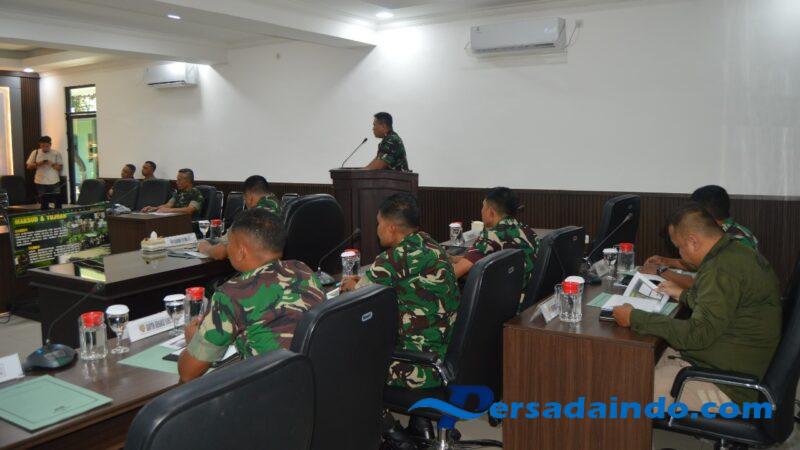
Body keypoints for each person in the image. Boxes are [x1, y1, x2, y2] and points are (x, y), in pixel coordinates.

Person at [613, 202, 781, 410]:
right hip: (727, 361)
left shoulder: (721, 268)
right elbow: (721, 305)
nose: (680, 254)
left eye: (679, 247)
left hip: (729, 386)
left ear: (693, 241)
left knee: (627, 395)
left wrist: (634, 317)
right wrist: (683, 295)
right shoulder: (734, 252)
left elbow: (697, 334)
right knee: (633, 364)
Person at [340, 193, 458, 448]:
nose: (377, 229)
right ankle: (421, 424)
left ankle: (392, 433)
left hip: (419, 367)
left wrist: (349, 286)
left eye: (379, 223)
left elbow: (356, 296)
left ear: (392, 227)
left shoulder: (393, 258)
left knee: (348, 364)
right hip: (449, 356)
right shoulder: (431, 244)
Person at [178, 209, 325, 382]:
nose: (227, 249)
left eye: (229, 243)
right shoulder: (302, 270)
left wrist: (193, 342)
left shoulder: (230, 294)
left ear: (241, 252)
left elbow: (188, 373)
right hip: (317, 378)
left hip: (272, 389)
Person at [644, 185, 759, 288]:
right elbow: (702, 263)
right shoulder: (730, 230)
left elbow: (703, 285)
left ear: (704, 216)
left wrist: (661, 271)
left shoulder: (736, 241)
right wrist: (666, 261)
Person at [451, 187, 539, 303]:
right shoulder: (527, 231)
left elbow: (454, 273)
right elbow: (482, 259)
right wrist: (453, 258)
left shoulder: (491, 236)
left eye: (483, 206)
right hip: (528, 300)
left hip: (502, 304)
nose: (481, 211)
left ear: (491, 212)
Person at [198, 175, 281, 260]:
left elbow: (220, 253)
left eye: (245, 199)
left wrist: (205, 248)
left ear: (249, 198)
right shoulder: (279, 206)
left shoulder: (253, 216)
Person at [25, 136, 63, 201]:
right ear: (40, 145)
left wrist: (52, 164)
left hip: (54, 182)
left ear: (50, 145)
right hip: (40, 182)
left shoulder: (56, 153)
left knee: (56, 201)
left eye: (47, 146)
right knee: (43, 202)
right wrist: (39, 163)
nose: (45, 148)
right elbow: (28, 167)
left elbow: (60, 168)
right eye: (42, 146)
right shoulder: (35, 152)